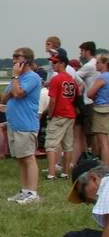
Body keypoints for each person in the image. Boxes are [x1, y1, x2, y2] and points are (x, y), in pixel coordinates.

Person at [2, 47, 42, 204]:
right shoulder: (17, 79)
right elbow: (5, 97)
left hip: (26, 123)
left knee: (28, 158)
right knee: (20, 159)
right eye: (13, 56)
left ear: (27, 60)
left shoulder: (32, 78)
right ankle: (25, 191)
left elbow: (18, 93)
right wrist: (15, 83)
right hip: (14, 124)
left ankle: (32, 193)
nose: (14, 60)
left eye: (17, 57)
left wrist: (16, 78)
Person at [45, 49, 77, 181]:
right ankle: (65, 172)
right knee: (67, 145)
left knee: (51, 145)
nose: (53, 64)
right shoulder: (71, 79)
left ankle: (51, 174)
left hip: (59, 114)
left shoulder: (56, 79)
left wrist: (50, 115)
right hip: (70, 114)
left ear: (62, 63)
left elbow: (52, 100)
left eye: (55, 62)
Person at [77, 42, 98, 156]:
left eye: (82, 51)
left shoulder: (89, 65)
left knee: (90, 132)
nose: (80, 53)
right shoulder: (97, 64)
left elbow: (74, 77)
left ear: (87, 51)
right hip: (95, 101)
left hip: (88, 101)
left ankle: (94, 155)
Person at [87, 54, 109, 163]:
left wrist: (95, 98)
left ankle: (106, 168)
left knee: (103, 143)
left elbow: (90, 93)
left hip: (102, 110)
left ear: (105, 64)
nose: (96, 65)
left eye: (98, 63)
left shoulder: (102, 77)